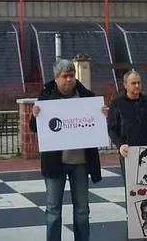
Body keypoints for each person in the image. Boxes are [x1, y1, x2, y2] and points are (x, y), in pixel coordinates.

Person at [29, 59, 109, 241]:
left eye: (72, 75)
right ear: (56, 78)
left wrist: (102, 115)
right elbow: (35, 127)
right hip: (55, 162)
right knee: (53, 210)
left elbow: (97, 124)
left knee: (82, 210)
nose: (69, 80)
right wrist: (35, 116)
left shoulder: (87, 96)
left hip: (81, 162)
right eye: (65, 76)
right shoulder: (46, 96)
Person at [107, 70, 147, 181]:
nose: (137, 85)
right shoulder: (117, 104)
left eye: (139, 82)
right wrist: (120, 145)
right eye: (133, 83)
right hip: (128, 152)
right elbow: (112, 129)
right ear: (125, 85)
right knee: (132, 191)